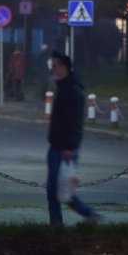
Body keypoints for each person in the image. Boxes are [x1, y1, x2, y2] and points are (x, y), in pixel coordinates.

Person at [46, 49, 99, 225]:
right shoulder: (65, 89)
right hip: (58, 147)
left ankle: (89, 216)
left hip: (63, 149)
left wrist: (69, 146)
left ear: (65, 68)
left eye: (56, 66)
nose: (53, 69)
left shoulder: (71, 91)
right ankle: (59, 224)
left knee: (61, 192)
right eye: (52, 66)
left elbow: (74, 122)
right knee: (58, 191)